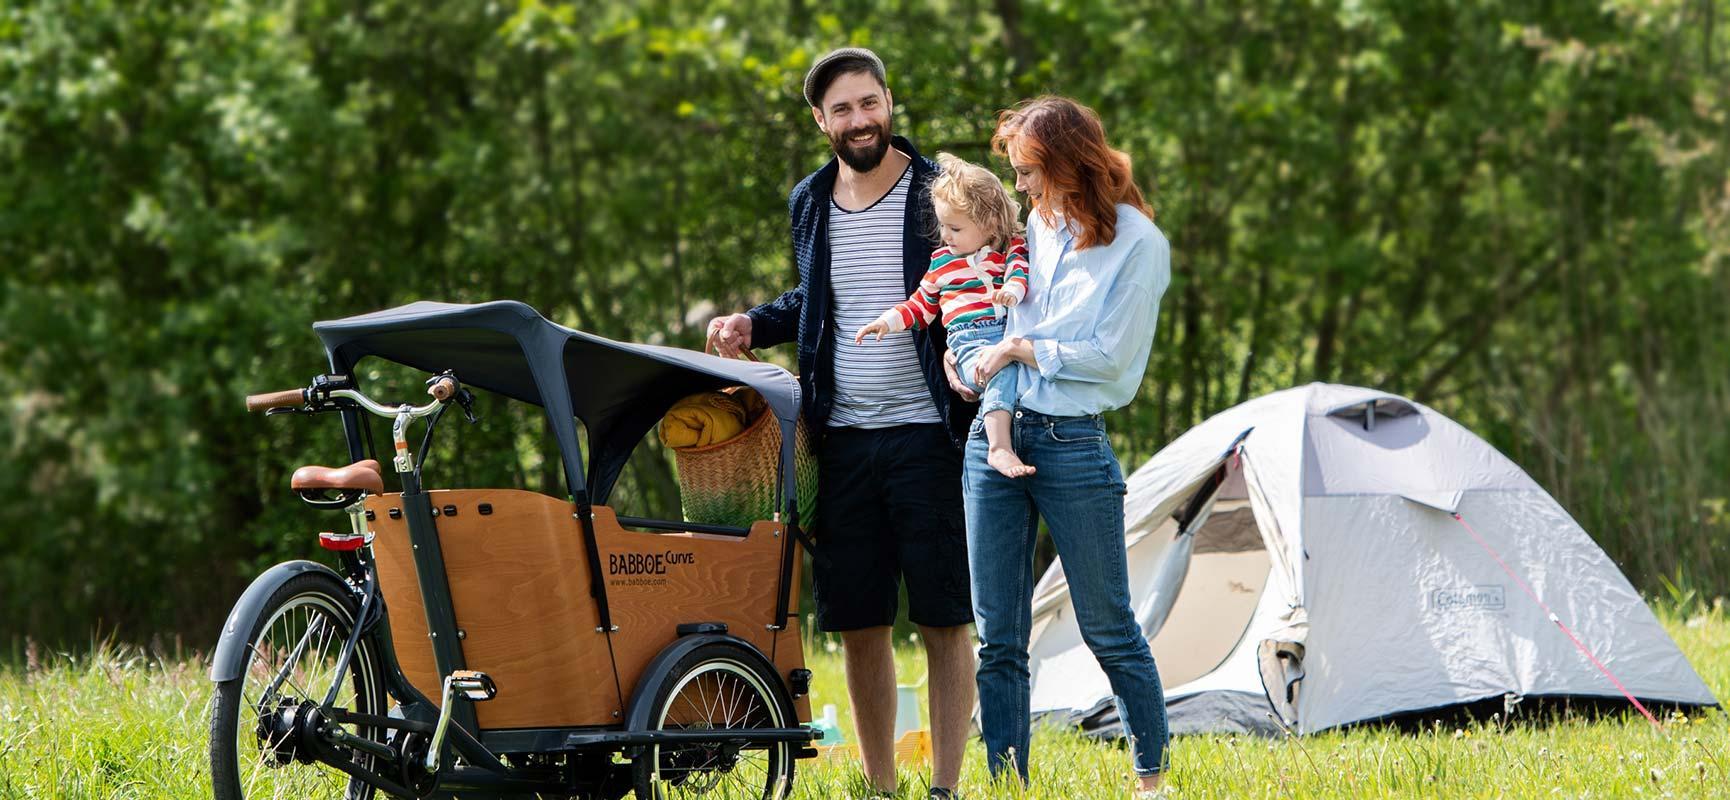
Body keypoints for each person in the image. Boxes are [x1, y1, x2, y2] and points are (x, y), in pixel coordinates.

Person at [704, 47, 975, 800]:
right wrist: (751, 324)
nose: (861, 120)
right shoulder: (809, 201)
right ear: (820, 120)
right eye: (844, 109)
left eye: (871, 102)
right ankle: (882, 786)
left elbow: (983, 279)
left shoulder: (936, 193)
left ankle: (946, 787)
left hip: (931, 436)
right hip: (842, 442)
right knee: (858, 620)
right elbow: (813, 303)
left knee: (945, 616)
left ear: (890, 102)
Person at [946, 95, 1174, 796]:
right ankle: (1008, 783)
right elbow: (986, 308)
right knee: (999, 640)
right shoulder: (1031, 231)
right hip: (996, 435)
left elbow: (1113, 360)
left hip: (1073, 445)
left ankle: (1151, 778)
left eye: (1027, 172)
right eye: (1013, 172)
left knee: (1109, 627)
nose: (1018, 187)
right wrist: (970, 363)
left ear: (1071, 163)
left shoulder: (1139, 244)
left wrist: (1021, 347)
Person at [855, 153, 1034, 479]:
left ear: (990, 223)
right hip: (969, 343)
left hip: (1008, 333)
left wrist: (1013, 290)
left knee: (1015, 366)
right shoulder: (941, 262)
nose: (945, 235)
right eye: (942, 225)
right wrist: (887, 321)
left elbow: (1020, 272)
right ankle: (998, 447)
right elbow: (920, 306)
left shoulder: (1011, 248)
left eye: (954, 227)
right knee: (1000, 371)